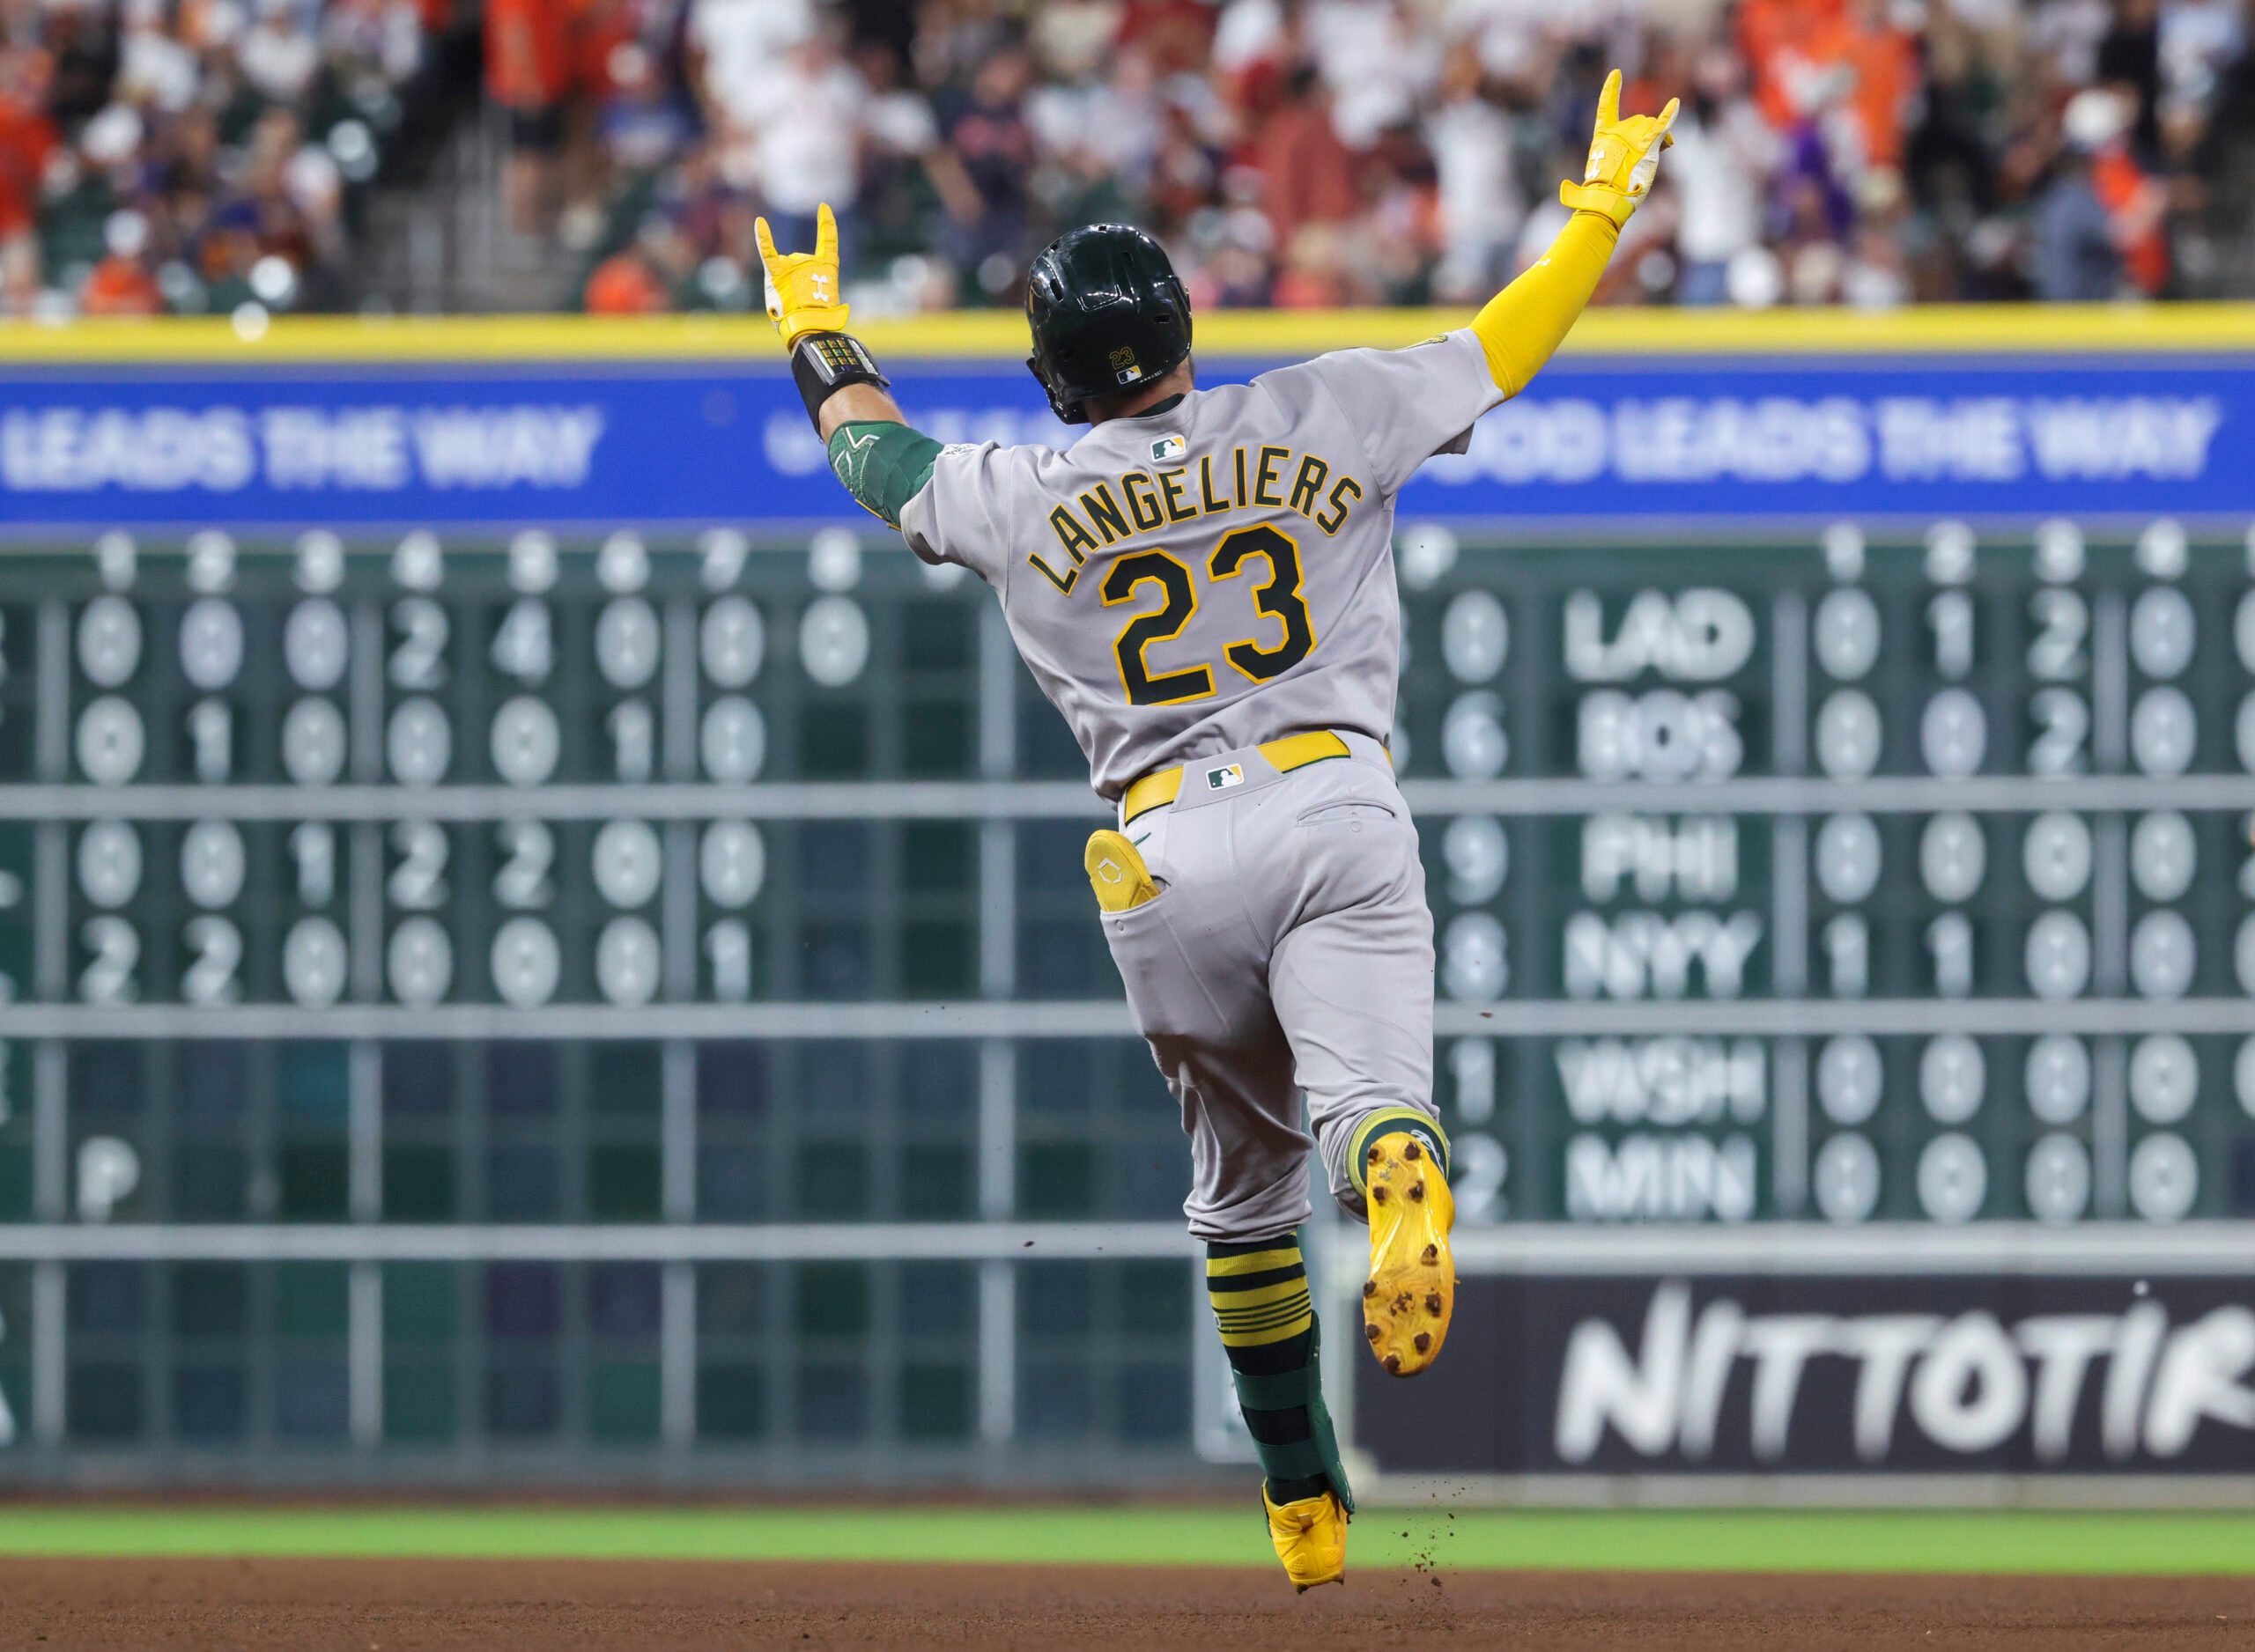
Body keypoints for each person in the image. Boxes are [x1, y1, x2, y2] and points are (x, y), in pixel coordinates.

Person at [756, 71, 1675, 1592]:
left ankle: (1304, 1511)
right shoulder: (1329, 405)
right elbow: (1505, 349)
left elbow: (874, 459)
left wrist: (813, 330)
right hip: (1333, 800)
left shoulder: (1021, 492)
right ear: (1185, 333)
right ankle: (1388, 1161)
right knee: (1371, 1103)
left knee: (1239, 1199)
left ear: (1054, 379)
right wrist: (1596, 208)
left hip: (1163, 853)